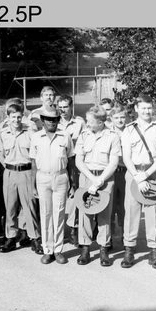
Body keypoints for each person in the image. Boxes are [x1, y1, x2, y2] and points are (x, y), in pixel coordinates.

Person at [120, 94, 156, 269]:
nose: (147, 111)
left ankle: (154, 252)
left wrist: (146, 174)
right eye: (143, 108)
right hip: (133, 174)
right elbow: (126, 157)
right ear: (136, 109)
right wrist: (137, 177)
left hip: (153, 173)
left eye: (149, 108)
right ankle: (129, 250)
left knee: (153, 213)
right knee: (131, 213)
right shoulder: (129, 130)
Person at [75, 106, 120, 266]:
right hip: (87, 177)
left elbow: (113, 162)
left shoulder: (112, 136)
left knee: (104, 216)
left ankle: (103, 249)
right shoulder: (83, 135)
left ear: (100, 122)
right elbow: (79, 161)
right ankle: (85, 249)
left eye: (90, 121)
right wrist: (92, 179)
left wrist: (100, 180)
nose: (86, 123)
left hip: (105, 178)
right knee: (85, 214)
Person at [0, 103, 43, 254]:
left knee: (30, 206)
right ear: (8, 118)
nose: (16, 120)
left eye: (18, 117)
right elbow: (0, 154)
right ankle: (10, 237)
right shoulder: (3, 133)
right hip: (9, 173)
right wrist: (8, 166)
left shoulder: (30, 133)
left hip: (26, 172)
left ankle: (34, 237)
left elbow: (36, 154)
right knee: (10, 207)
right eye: (13, 117)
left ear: (22, 117)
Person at [30, 108, 75, 265]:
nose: (51, 122)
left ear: (58, 121)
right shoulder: (36, 137)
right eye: (48, 119)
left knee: (59, 213)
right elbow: (33, 163)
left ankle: (58, 250)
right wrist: (33, 185)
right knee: (46, 213)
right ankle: (47, 250)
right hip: (43, 177)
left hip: (60, 177)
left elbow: (71, 161)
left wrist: (72, 183)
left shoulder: (65, 136)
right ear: (42, 120)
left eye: (55, 119)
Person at [57, 94, 85, 247]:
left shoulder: (79, 123)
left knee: (74, 194)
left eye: (65, 107)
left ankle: (73, 229)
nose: (62, 110)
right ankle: (59, 231)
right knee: (60, 194)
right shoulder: (54, 122)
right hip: (59, 162)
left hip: (74, 161)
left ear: (71, 106)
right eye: (60, 107)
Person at [109, 103, 128, 244]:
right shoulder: (107, 132)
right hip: (111, 172)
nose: (120, 120)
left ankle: (125, 234)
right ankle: (108, 236)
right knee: (109, 205)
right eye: (116, 117)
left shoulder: (131, 131)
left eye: (122, 117)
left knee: (125, 205)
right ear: (111, 118)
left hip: (126, 172)